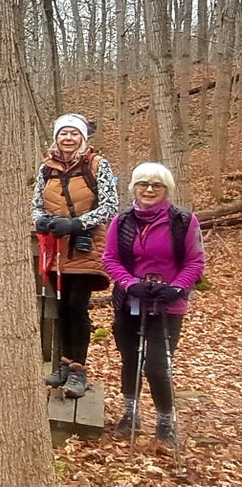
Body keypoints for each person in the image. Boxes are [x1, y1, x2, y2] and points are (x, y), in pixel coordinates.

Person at [102, 163, 204, 448]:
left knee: (158, 366)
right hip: (130, 302)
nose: (148, 189)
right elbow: (110, 258)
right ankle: (130, 415)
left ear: (166, 189)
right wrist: (129, 283)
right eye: (142, 184)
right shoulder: (121, 221)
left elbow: (195, 261)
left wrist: (177, 287)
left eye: (156, 185)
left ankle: (165, 422)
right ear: (134, 187)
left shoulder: (184, 221)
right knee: (130, 360)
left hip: (167, 305)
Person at [30, 113, 119, 398]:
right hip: (56, 247)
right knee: (62, 306)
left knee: (77, 306)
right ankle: (65, 364)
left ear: (83, 138)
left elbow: (110, 205)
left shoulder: (97, 165)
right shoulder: (47, 168)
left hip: (86, 243)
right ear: (56, 137)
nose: (68, 138)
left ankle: (79, 370)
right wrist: (41, 221)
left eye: (74, 134)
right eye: (63, 134)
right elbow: (36, 204)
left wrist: (78, 223)